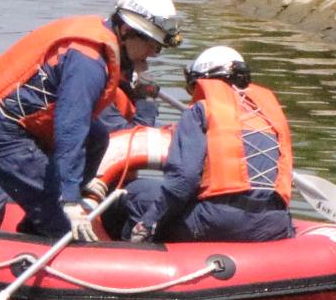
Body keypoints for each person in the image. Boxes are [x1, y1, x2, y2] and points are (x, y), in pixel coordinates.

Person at [0, 0, 182, 241]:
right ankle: (55, 225)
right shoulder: (88, 62)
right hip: (1, 130)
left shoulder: (103, 42)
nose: (153, 54)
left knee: (98, 137)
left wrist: (130, 84)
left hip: (23, 124)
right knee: (66, 223)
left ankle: (37, 226)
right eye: (151, 45)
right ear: (125, 31)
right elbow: (71, 128)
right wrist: (69, 199)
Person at [124, 45, 296, 243]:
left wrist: (149, 221)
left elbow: (184, 181)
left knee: (135, 195)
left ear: (202, 81)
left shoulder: (200, 111)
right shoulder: (268, 117)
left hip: (222, 221)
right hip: (274, 223)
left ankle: (123, 257)